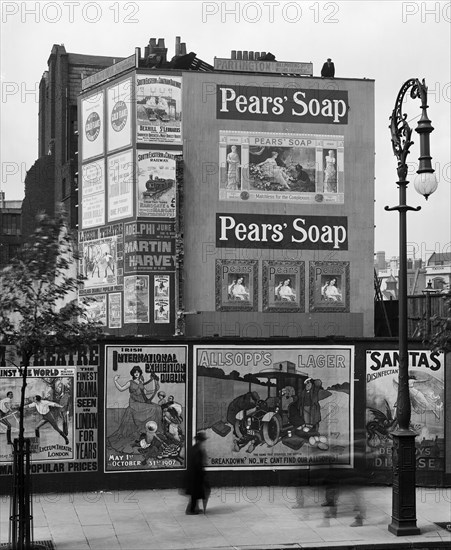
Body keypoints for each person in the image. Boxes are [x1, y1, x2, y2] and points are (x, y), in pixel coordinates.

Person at [107, 366, 162, 453]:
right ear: (133, 373)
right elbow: (121, 389)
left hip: (141, 401)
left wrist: (155, 388)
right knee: (153, 408)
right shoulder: (130, 382)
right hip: (134, 403)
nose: (136, 373)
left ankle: (153, 431)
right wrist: (115, 380)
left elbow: (146, 392)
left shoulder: (141, 382)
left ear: (140, 373)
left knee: (157, 408)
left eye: (138, 372)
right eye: (135, 372)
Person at [185, 431, 210, 514]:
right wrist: (203, 474)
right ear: (200, 441)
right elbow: (198, 464)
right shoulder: (198, 450)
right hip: (195, 475)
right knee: (195, 494)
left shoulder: (194, 448)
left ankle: (194, 508)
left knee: (195, 494)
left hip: (193, 475)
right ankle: (190, 510)